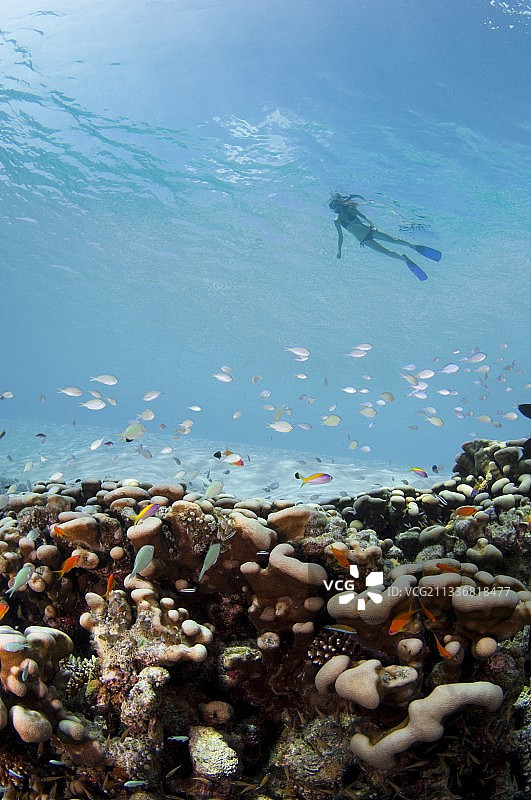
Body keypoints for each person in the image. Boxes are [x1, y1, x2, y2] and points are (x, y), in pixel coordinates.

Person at [329, 192, 441, 281]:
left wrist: (373, 225)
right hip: (364, 240)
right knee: (386, 252)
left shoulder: (350, 209)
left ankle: (413, 247)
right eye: (333, 207)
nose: (335, 207)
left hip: (370, 231)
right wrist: (339, 251)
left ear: (339, 203)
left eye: (335, 204)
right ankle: (404, 259)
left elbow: (364, 218)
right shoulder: (337, 221)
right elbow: (340, 236)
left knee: (394, 240)